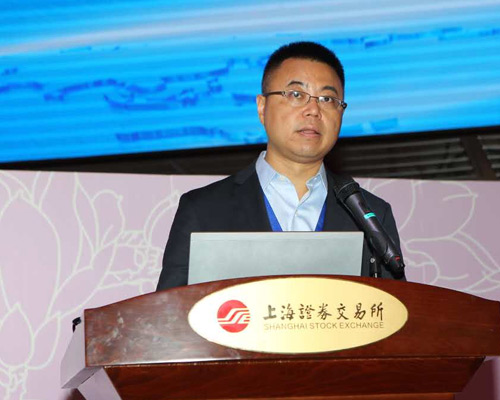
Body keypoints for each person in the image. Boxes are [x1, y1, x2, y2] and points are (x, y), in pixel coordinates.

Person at [156, 41, 404, 291]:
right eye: (296, 95)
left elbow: (400, 307)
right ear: (262, 107)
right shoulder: (203, 210)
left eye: (328, 99)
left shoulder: (372, 215)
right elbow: (169, 311)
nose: (313, 110)